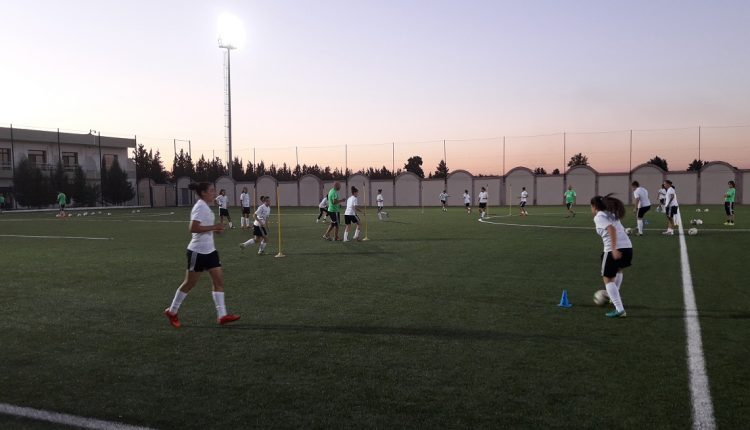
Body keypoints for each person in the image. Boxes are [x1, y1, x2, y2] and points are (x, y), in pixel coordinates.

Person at [163, 182, 240, 328]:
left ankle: (222, 316)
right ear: (204, 193)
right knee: (190, 283)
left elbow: (203, 228)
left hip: (210, 251)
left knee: (218, 281)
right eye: (211, 190)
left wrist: (215, 230)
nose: (214, 193)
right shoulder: (200, 206)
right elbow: (193, 228)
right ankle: (172, 311)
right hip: (197, 252)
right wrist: (214, 227)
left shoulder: (205, 207)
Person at [591, 194, 632, 318]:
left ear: (594, 207)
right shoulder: (611, 213)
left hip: (613, 249)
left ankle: (619, 309)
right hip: (628, 247)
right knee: (618, 270)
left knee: (607, 279)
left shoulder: (599, 216)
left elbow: (611, 230)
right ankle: (613, 297)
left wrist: (614, 249)